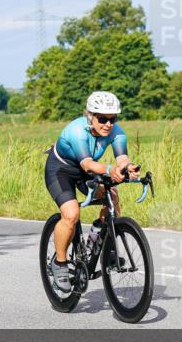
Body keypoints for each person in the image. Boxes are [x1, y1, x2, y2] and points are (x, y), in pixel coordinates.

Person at [44, 91, 139, 290]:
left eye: (113, 119)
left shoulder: (117, 131)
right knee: (71, 214)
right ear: (90, 116)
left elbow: (122, 158)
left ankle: (103, 244)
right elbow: (87, 164)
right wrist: (110, 170)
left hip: (88, 170)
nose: (108, 124)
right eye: (102, 118)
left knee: (111, 197)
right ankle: (59, 263)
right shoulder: (77, 130)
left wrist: (127, 167)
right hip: (62, 170)